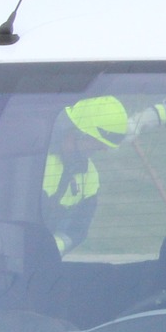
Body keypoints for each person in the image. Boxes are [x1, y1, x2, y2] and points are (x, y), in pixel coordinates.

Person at [43, 95, 129, 254]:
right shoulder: (35, 160)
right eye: (99, 142)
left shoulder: (90, 178)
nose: (103, 149)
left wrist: (53, 247)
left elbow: (78, 230)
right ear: (80, 133)